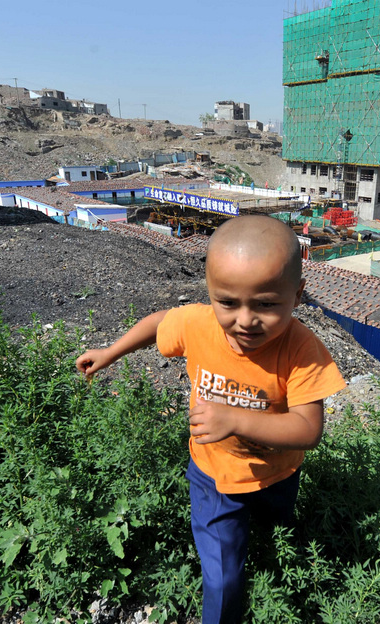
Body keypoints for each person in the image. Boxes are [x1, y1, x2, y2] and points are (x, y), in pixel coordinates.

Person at [75, 215, 346, 623]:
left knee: (278, 535)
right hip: (213, 473)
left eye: (267, 304)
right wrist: (110, 352)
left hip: (277, 474)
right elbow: (158, 324)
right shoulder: (199, 324)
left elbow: (308, 429)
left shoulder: (302, 350)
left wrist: (234, 420)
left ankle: (278, 574)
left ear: (298, 294)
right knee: (221, 578)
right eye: (228, 302)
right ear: (211, 294)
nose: (245, 319)